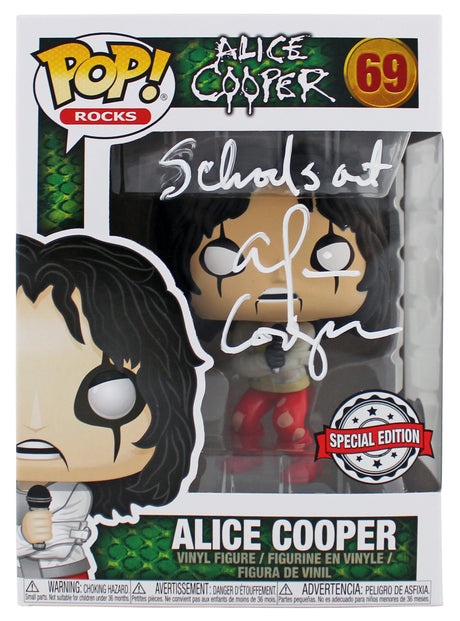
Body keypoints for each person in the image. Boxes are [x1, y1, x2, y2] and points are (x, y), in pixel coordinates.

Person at [150, 186, 397, 481]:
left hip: (293, 388)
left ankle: (303, 458)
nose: (279, 275)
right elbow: (240, 362)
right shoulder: (245, 328)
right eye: (224, 257)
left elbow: (296, 360)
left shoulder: (303, 329)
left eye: (329, 256)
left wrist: (275, 359)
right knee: (242, 419)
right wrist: (265, 361)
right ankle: (247, 454)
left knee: (288, 423)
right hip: (259, 385)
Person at [17, 234, 202, 578]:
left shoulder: (75, 496)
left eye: (107, 396)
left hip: (67, 577)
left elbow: (63, 541)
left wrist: (37, 538)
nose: (36, 423)